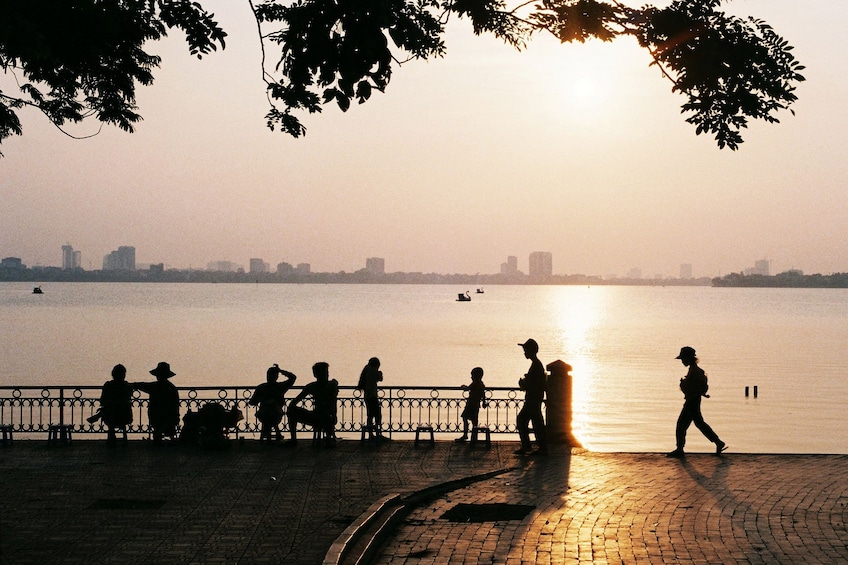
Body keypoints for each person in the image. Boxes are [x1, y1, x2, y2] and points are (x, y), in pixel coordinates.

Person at [667, 346, 727, 457]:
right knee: (699, 424)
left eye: (683, 359)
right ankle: (718, 442)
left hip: (692, 401)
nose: (682, 361)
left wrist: (684, 384)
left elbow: (696, 387)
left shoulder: (695, 371)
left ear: (688, 358)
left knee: (681, 425)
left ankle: (680, 449)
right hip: (693, 400)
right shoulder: (695, 370)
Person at [286, 362, 339, 446]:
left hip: (323, 417)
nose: (326, 375)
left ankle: (293, 439)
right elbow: (296, 400)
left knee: (291, 410)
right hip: (322, 417)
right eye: (325, 373)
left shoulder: (314, 386)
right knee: (292, 410)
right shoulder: (331, 385)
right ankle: (329, 437)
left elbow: (295, 401)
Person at [134, 361, 181, 444]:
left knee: (156, 413)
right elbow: (175, 405)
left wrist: (132, 385)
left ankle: (158, 434)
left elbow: (143, 385)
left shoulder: (154, 386)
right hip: (169, 416)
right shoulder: (172, 388)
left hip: (157, 415)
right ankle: (166, 435)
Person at [515, 339, 548, 456]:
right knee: (535, 422)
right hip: (534, 399)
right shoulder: (536, 365)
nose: (524, 353)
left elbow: (532, 384)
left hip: (533, 400)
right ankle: (533, 446)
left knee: (523, 420)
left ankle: (531, 447)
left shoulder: (536, 366)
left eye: (525, 350)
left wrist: (523, 383)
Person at [249, 364, 297, 443]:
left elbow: (293, 378)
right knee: (269, 413)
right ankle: (273, 434)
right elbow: (252, 402)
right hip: (270, 414)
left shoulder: (265, 387)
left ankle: (267, 434)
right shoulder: (277, 387)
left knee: (270, 413)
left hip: (271, 414)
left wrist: (280, 370)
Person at [88, 364, 134, 446]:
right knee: (111, 409)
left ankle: (99, 416)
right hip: (123, 415)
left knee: (110, 409)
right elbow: (125, 401)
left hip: (117, 414)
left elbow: (102, 400)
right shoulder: (127, 386)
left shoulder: (109, 385)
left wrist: (111, 403)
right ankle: (100, 415)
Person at [455, 367, 486, 442]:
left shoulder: (475, 383)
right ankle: (474, 436)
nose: (471, 377)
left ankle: (466, 435)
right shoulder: (481, 384)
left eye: (472, 375)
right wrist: (484, 402)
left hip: (471, 404)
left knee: (465, 418)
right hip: (476, 404)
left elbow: (468, 388)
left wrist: (463, 386)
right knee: (474, 421)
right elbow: (483, 395)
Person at [358, 357, 384, 440]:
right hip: (372, 396)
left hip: (367, 396)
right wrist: (380, 372)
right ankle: (376, 433)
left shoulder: (367, 369)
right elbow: (380, 378)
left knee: (370, 415)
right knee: (377, 415)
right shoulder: (372, 370)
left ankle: (371, 434)